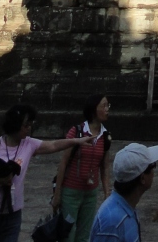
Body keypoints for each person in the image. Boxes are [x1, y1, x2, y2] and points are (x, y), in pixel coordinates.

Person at [0, 103, 92, 242]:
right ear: (15, 125)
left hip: (13, 213)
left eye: (30, 125)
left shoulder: (28, 144)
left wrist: (77, 141)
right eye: (26, 125)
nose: (29, 129)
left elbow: (53, 145)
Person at [52, 94, 113, 242]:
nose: (107, 109)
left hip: (90, 194)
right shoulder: (77, 132)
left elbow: (104, 167)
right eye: (104, 106)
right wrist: (57, 194)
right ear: (93, 109)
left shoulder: (105, 136)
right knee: (68, 234)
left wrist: (107, 193)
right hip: (71, 191)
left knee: (84, 235)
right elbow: (64, 162)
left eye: (108, 106)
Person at [89, 142, 158, 242]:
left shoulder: (127, 207)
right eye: (152, 165)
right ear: (142, 178)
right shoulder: (112, 223)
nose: (154, 172)